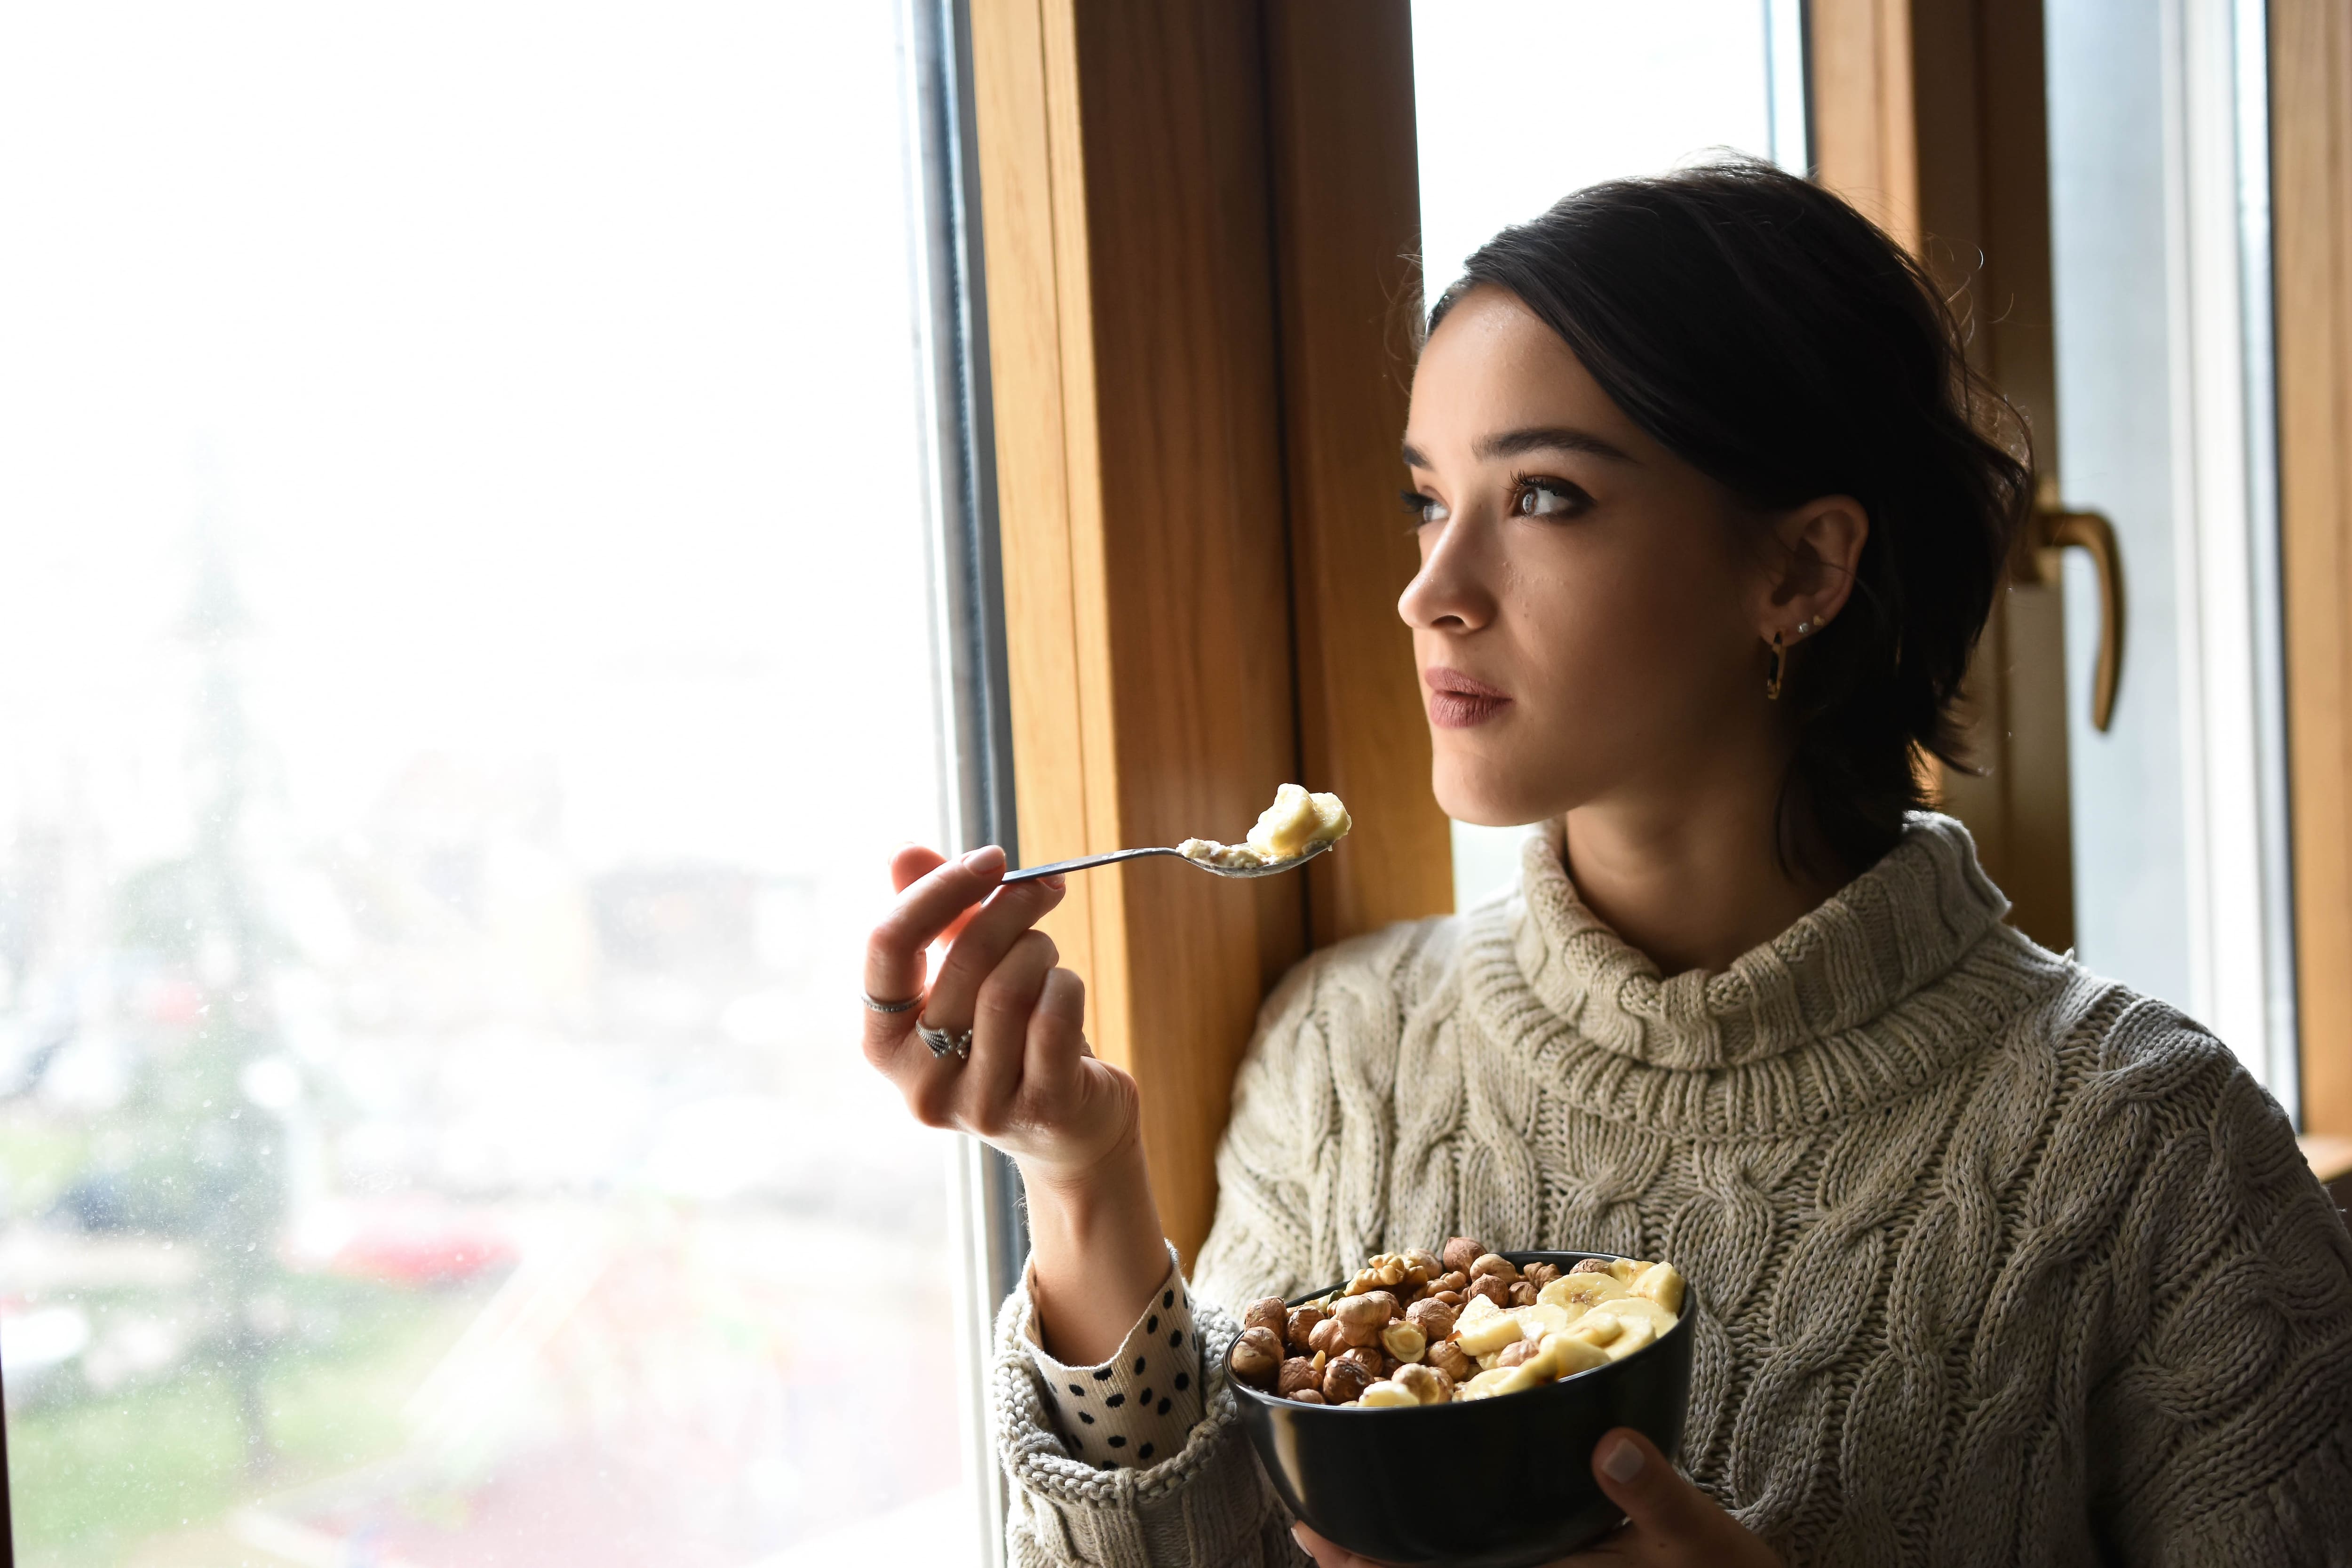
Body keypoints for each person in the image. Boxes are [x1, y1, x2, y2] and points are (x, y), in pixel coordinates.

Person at [858, 159, 2352, 1566]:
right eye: (1429, 500)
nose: (1430, 592)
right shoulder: (1345, 1052)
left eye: (1546, 498)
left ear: (1802, 571)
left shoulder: (2151, 1151)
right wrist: (1081, 1181)